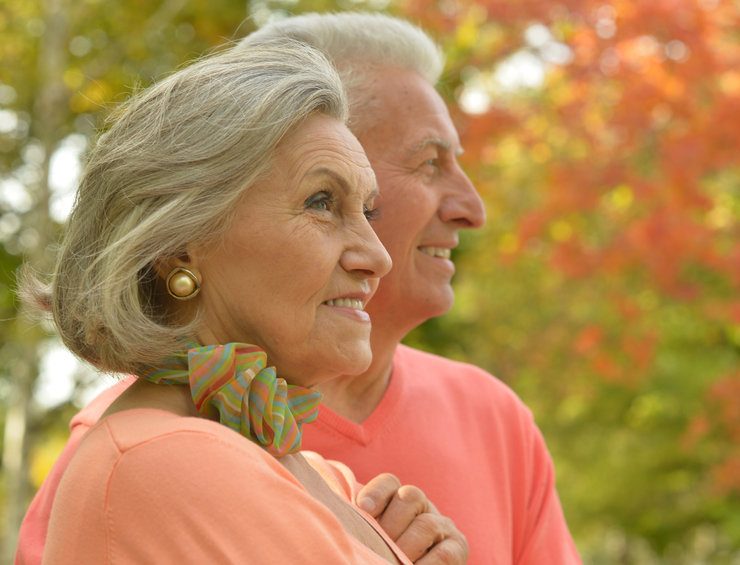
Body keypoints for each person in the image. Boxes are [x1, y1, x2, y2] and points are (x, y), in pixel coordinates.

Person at [17, 12, 582, 565]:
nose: (376, 256)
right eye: (322, 202)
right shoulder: (153, 456)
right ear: (180, 243)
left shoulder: (317, 468)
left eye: (367, 208)